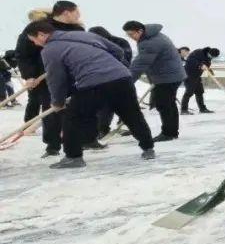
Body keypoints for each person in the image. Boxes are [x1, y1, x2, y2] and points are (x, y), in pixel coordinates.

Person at [25, 20, 155, 168]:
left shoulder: (50, 50)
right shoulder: (84, 35)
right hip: (122, 77)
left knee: (72, 117)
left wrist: (58, 102)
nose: (35, 43)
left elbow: (56, 79)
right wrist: (108, 66)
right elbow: (118, 51)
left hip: (94, 82)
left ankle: (73, 157)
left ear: (42, 35)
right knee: (132, 114)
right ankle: (148, 148)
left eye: (33, 40)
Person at [124, 21, 187, 142]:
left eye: (131, 34)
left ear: (140, 31)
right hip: (171, 75)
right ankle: (172, 131)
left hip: (168, 77)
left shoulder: (151, 42)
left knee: (164, 104)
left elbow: (139, 64)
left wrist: (126, 81)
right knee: (169, 104)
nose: (131, 37)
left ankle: (168, 133)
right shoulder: (153, 36)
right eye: (128, 35)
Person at [14, 9, 63, 156]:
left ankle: (82, 138)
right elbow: (23, 56)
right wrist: (29, 76)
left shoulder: (60, 27)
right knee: (50, 107)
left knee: (69, 106)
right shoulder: (28, 34)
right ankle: (53, 145)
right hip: (44, 76)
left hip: (65, 72)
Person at [180, 46, 219, 114]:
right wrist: (200, 65)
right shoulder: (198, 52)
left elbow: (206, 65)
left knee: (199, 92)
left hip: (197, 76)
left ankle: (202, 109)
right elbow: (191, 60)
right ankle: (184, 110)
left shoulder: (208, 58)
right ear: (209, 52)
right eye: (211, 55)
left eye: (213, 57)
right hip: (189, 74)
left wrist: (209, 70)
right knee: (189, 92)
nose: (211, 57)